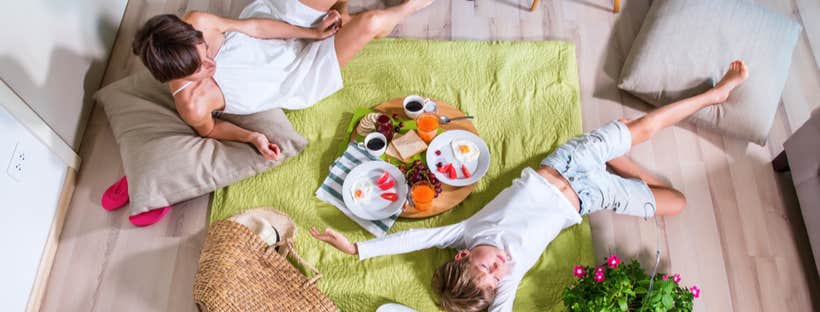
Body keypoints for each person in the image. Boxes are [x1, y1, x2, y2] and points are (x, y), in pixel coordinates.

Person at [310, 61, 749, 311]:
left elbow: (415, 238)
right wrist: (494, 290)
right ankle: (624, 163)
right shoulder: (508, 280)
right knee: (679, 202)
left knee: (647, 127)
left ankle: (714, 96)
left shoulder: (463, 234)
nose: (497, 268)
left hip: (568, 162)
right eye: (494, 280)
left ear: (464, 254)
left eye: (484, 267)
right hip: (593, 197)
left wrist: (357, 249)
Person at [131, 0, 433, 160]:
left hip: (281, 30)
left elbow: (255, 27)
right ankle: (407, 7)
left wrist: (312, 33)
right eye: (201, 68)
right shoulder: (192, 104)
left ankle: (339, 14)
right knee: (373, 22)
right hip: (298, 75)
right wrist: (252, 137)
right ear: (179, 76)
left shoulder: (198, 23)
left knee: (344, 19)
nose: (212, 63)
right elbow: (211, 130)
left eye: (204, 50)